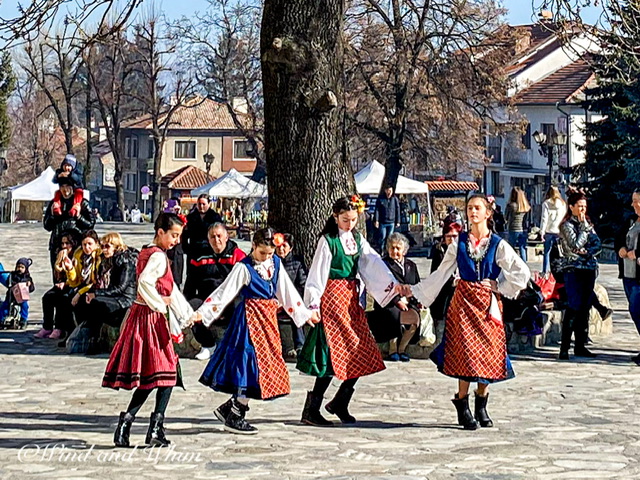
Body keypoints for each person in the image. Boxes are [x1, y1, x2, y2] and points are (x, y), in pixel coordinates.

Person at [404, 194, 530, 430]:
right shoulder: (458, 243)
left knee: (488, 353)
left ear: (487, 213)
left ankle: (481, 403)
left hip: (487, 305)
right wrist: (416, 292)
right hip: (462, 304)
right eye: (470, 208)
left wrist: (499, 286)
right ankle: (462, 405)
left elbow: (521, 272)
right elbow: (441, 274)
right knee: (467, 353)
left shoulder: (497, 244)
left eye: (477, 208)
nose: (473, 212)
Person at [193, 228, 318, 435]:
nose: (267, 258)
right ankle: (236, 413)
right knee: (250, 364)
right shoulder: (244, 268)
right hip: (249, 321)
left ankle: (230, 408)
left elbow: (287, 292)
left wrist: (304, 314)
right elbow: (224, 292)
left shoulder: (275, 264)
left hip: (267, 321)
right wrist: (203, 313)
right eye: (262, 253)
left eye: (270, 253)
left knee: (265, 364)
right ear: (253, 247)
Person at [298, 195, 400, 426]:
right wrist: (313, 305)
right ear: (335, 217)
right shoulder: (328, 241)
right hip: (333, 299)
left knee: (360, 350)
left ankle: (340, 401)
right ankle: (311, 409)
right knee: (334, 353)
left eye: (353, 219)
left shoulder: (357, 239)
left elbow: (372, 263)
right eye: (345, 219)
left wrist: (392, 289)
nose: (350, 224)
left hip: (352, 300)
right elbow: (317, 275)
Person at [102, 213, 195, 448]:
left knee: (155, 376)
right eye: (173, 235)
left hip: (142, 316)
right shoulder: (158, 257)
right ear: (160, 232)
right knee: (165, 373)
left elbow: (169, 289)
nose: (176, 240)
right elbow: (145, 283)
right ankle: (150, 428)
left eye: (178, 236)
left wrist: (187, 314)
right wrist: (157, 304)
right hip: (150, 318)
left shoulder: (147, 252)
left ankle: (129, 424)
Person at [185, 223, 246, 360]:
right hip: (206, 299)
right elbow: (191, 282)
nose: (216, 240)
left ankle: (233, 346)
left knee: (240, 307)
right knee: (191, 307)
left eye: (219, 236)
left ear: (226, 237)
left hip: (230, 299)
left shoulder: (238, 256)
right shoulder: (199, 256)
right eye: (212, 237)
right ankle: (208, 345)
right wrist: (186, 303)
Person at [75, 233, 138, 355]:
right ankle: (87, 338)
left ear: (116, 246)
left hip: (126, 300)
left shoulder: (126, 261)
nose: (104, 250)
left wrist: (96, 293)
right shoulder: (110, 260)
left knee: (96, 303)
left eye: (107, 246)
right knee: (85, 301)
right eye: (102, 246)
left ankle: (94, 341)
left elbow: (120, 288)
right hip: (117, 297)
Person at [558, 192, 602, 360]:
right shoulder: (566, 225)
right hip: (573, 269)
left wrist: (587, 252)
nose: (583, 210)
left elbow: (597, 243)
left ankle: (580, 345)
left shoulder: (588, 224)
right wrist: (583, 230)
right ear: (572, 207)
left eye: (585, 206)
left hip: (588, 268)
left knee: (585, 307)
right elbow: (574, 244)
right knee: (573, 306)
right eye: (580, 206)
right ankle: (564, 347)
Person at [369, 232, 421, 362]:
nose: (395, 251)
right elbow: (381, 286)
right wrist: (397, 301)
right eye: (392, 247)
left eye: (398, 248)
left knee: (415, 318)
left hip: (408, 301)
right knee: (394, 315)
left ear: (405, 250)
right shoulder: (384, 264)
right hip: (389, 301)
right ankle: (393, 349)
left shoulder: (411, 265)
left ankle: (402, 348)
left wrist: (417, 300)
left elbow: (417, 284)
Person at [43, 176, 95, 273]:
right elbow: (47, 226)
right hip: (57, 244)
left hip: (76, 245)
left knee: (76, 273)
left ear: (73, 187)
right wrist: (53, 216)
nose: (65, 190)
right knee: (58, 273)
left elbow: (90, 224)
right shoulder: (54, 204)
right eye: (62, 186)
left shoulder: (83, 203)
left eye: (68, 186)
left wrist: (79, 216)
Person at [35, 235, 76, 340]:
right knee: (47, 297)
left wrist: (66, 283)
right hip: (63, 284)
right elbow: (57, 275)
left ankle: (59, 328)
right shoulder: (59, 255)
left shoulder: (76, 256)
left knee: (62, 299)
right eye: (63, 244)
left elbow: (76, 277)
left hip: (73, 285)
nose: (64, 246)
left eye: (67, 243)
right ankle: (47, 327)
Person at [275, 232, 308, 360]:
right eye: (279, 246)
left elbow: (302, 283)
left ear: (291, 248)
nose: (281, 249)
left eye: (284, 246)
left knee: (296, 311)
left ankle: (300, 346)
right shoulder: (272, 263)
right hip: (276, 300)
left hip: (292, 299)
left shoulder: (297, 263)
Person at [183, 194, 223, 294]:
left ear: (209, 204)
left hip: (209, 251)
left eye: (204, 204)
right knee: (191, 277)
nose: (201, 206)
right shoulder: (191, 217)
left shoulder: (215, 217)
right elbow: (184, 235)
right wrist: (186, 248)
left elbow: (221, 233)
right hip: (194, 251)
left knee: (207, 276)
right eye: (199, 204)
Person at [617, 190, 640, 365]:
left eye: (637, 201)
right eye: (633, 201)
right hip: (628, 273)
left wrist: (637, 253)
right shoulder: (631, 221)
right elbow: (619, 238)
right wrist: (621, 249)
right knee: (634, 310)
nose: (634, 205)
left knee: (637, 309)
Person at [429, 222, 462, 326]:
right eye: (448, 236)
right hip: (443, 293)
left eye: (454, 236)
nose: (451, 239)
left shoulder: (464, 250)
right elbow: (436, 274)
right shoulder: (439, 252)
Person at [0, 257, 35, 329]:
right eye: (18, 267)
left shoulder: (28, 278)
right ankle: (1, 319)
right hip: (11, 296)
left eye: (22, 267)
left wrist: (29, 285)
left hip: (22, 297)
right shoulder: (12, 275)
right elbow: (8, 283)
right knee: (5, 307)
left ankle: (23, 320)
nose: (20, 269)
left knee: (25, 306)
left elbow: (32, 289)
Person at [540, 186, 567, 275]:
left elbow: (544, 218)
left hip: (549, 231)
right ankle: (559, 269)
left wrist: (542, 232)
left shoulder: (546, 203)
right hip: (559, 231)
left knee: (546, 253)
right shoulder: (563, 204)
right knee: (560, 252)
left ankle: (545, 271)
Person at [505, 187, 531, 260]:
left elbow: (506, 217)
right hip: (523, 229)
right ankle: (524, 264)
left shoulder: (511, 205)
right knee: (522, 248)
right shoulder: (526, 206)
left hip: (513, 228)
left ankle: (511, 264)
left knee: (511, 248)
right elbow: (527, 219)